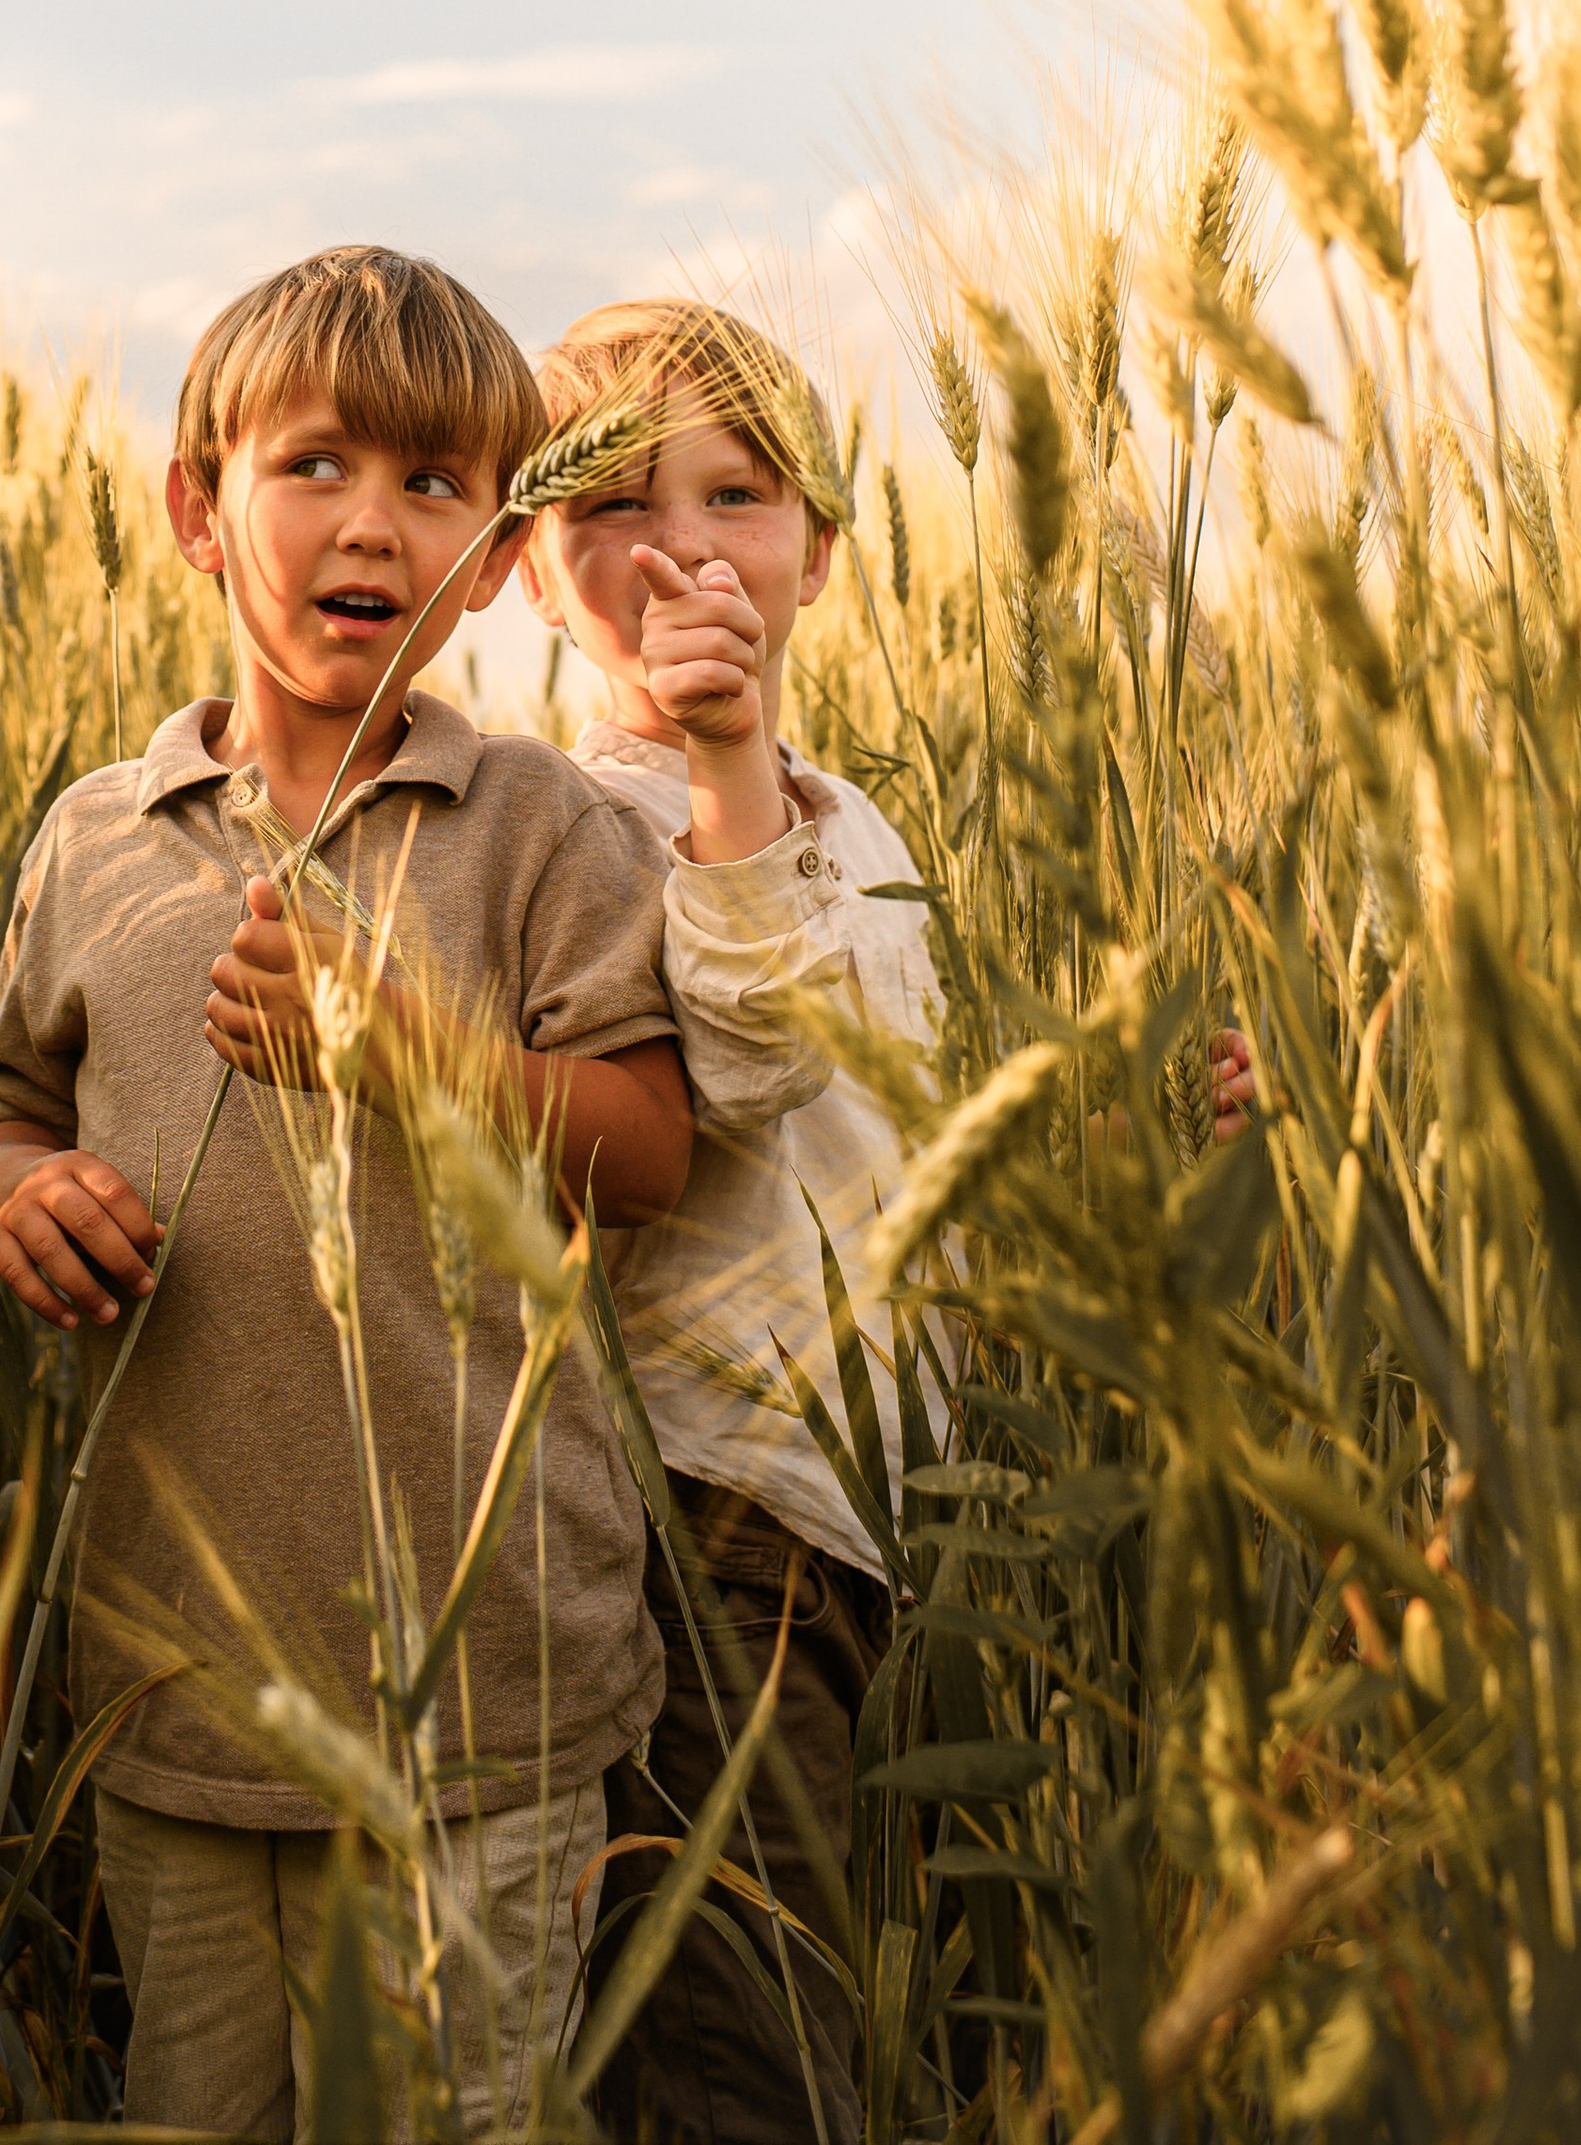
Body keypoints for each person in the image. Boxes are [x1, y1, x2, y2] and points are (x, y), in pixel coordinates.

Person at [0, 245, 694, 2141]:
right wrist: (15, 1196)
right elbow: (4, 1102)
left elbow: (646, 1143)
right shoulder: (96, 839)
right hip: (179, 1682)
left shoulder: (539, 829)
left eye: (438, 485)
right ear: (202, 509)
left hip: (486, 1697)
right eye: (317, 468)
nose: (374, 522)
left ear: (493, 552)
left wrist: (402, 1045)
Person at [521, 294, 1255, 2145]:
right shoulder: (570, 825)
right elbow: (751, 1068)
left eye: (740, 493)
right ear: (531, 574)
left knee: (798, 1980)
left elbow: (892, 1152)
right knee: (739, 2036)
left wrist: (1134, 1128)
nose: (682, 543)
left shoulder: (851, 829)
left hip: (843, 1517)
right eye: (609, 501)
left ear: (827, 553)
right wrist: (719, 763)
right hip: (695, 1524)